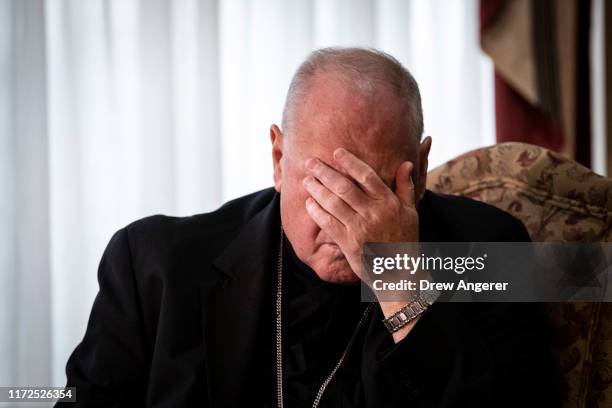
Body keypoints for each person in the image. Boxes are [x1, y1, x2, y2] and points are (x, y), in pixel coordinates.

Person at [57, 47, 558, 407]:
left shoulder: (494, 250)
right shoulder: (152, 266)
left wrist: (403, 288)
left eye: (375, 188)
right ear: (278, 159)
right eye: (324, 183)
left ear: (420, 170)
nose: (348, 221)